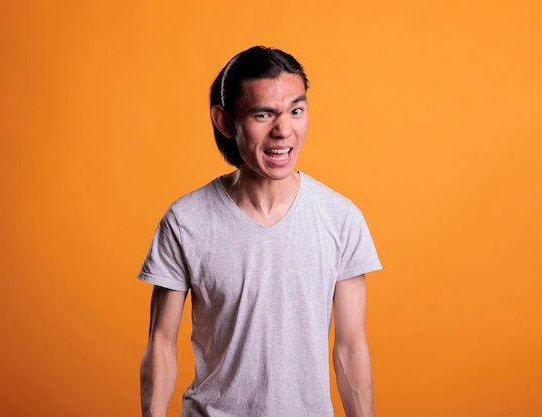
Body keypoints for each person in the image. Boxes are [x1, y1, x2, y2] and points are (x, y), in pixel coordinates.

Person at [138, 45, 382, 417]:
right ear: (224, 121)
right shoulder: (186, 220)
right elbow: (161, 341)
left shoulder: (340, 217)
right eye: (263, 114)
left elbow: (350, 347)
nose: (284, 130)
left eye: (296, 111)